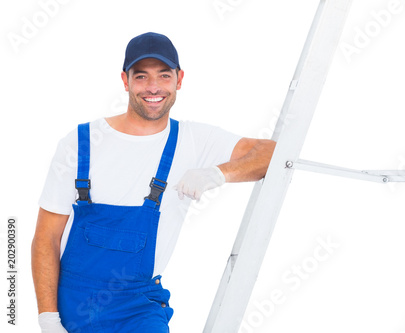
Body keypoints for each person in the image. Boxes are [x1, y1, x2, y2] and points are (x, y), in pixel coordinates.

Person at [31, 32, 276, 333]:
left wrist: (217, 173)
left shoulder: (194, 140)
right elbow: (46, 238)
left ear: (179, 79)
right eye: (141, 76)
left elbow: (272, 153)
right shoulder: (81, 143)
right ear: (125, 81)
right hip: (74, 305)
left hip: (139, 308)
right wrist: (48, 319)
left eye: (163, 75)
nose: (153, 87)